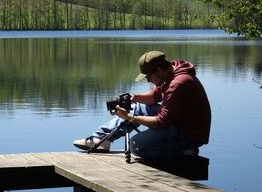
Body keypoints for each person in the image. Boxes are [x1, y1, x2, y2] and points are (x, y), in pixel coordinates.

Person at [73, 50, 211, 159]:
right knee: (138, 107)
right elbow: (153, 97)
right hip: (177, 124)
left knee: (136, 146)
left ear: (158, 70)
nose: (148, 81)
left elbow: (161, 122)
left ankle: (184, 152)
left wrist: (130, 117)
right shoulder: (171, 73)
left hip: (187, 135)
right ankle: (101, 139)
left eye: (148, 77)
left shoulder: (178, 84)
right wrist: (133, 98)